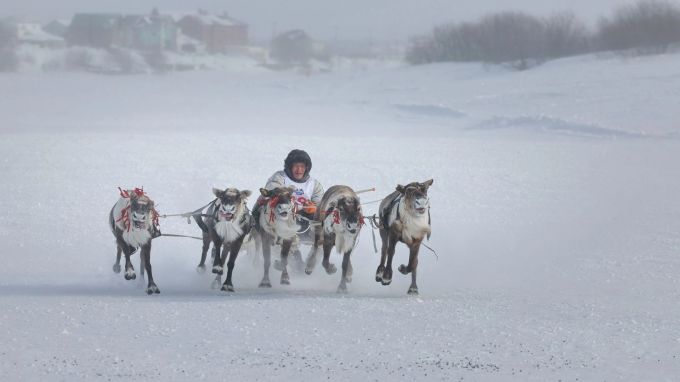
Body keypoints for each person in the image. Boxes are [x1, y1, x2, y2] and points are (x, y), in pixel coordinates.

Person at [253, 149, 324, 269]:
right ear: (290, 166)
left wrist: (314, 207)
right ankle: (291, 260)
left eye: (302, 166)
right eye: (296, 166)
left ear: (307, 167)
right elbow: (272, 189)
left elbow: (319, 202)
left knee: (323, 236)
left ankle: (311, 263)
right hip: (281, 217)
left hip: (305, 220)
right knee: (287, 238)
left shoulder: (314, 184)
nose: (299, 170)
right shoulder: (280, 177)